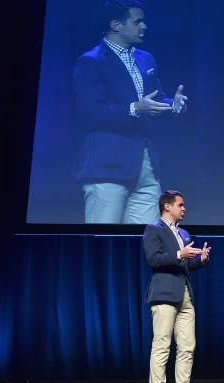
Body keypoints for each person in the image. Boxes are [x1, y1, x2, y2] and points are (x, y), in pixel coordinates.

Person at [73, 0, 188, 224]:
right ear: (116, 25)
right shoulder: (91, 61)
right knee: (103, 242)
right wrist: (134, 108)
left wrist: (172, 104)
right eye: (138, 22)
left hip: (145, 167)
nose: (144, 26)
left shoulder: (145, 58)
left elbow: (154, 98)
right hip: (107, 168)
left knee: (143, 242)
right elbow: (90, 112)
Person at [143, 190, 210, 383]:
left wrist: (200, 260)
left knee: (187, 346)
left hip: (185, 294)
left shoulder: (183, 232)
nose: (184, 208)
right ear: (167, 207)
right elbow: (153, 259)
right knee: (162, 345)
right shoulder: (154, 229)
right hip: (164, 294)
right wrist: (180, 255)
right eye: (180, 205)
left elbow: (186, 265)